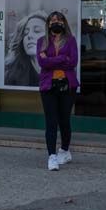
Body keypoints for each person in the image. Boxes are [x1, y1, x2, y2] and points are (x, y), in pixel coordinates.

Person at [37, 10, 79, 171]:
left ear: (64, 23)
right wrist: (62, 59)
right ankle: (52, 156)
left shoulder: (71, 40)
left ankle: (65, 150)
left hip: (67, 86)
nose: (56, 22)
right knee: (51, 122)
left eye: (60, 20)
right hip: (48, 86)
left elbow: (73, 61)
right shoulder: (42, 41)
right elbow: (42, 63)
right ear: (48, 24)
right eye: (53, 20)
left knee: (64, 120)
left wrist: (51, 60)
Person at [4, 10, 49, 87]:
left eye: (37, 31)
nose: (29, 36)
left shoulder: (64, 69)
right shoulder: (11, 75)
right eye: (25, 33)